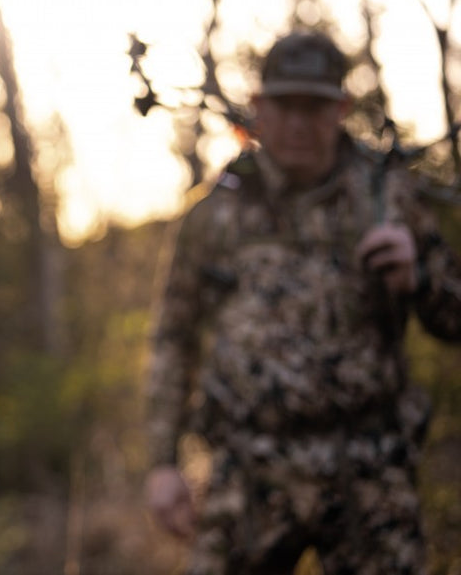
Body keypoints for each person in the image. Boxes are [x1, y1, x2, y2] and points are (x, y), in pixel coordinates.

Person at [144, 30, 461, 574]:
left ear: (339, 108)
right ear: (260, 108)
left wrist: (419, 279)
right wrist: (162, 464)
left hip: (369, 471)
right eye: (284, 105)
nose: (297, 123)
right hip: (249, 471)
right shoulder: (216, 214)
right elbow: (174, 338)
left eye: (312, 106)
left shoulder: (390, 200)